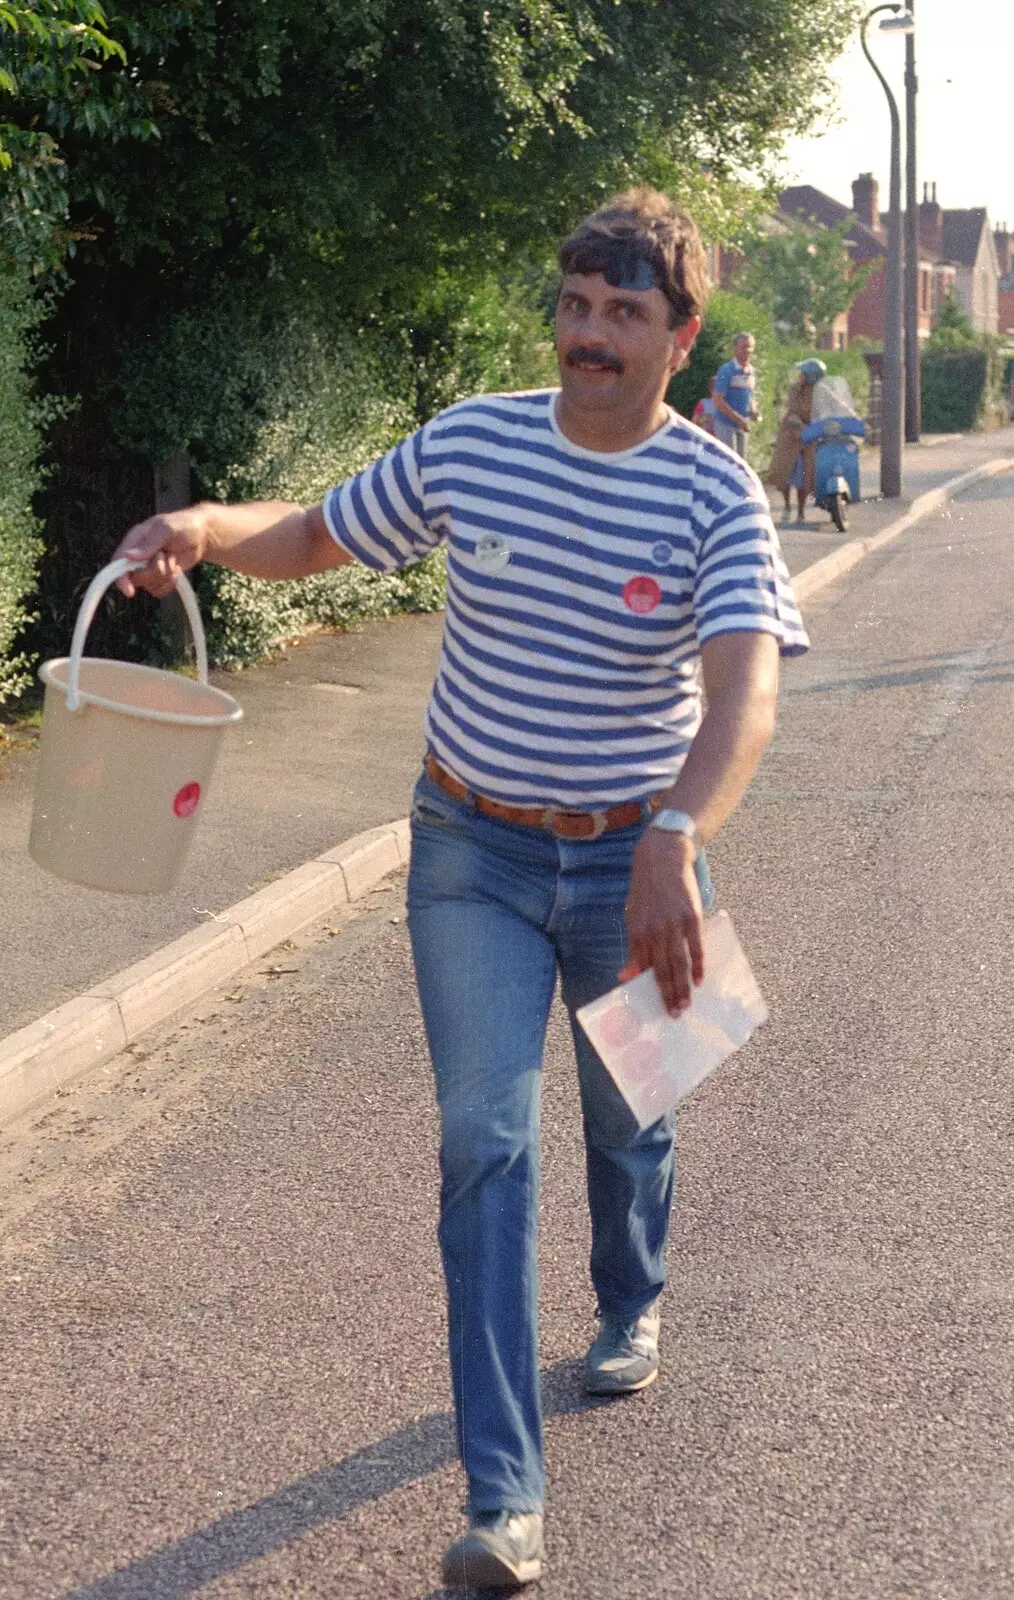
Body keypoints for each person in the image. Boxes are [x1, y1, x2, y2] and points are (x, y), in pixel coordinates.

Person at [111, 187, 809, 1592]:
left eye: (622, 314)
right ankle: (505, 1500)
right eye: (573, 306)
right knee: (481, 1137)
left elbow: (745, 698)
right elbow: (316, 533)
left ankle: (635, 1296)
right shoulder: (475, 442)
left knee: (636, 1116)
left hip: (640, 855)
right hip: (470, 848)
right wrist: (200, 523)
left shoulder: (713, 490)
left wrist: (676, 833)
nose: (587, 335)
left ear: (680, 336)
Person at [764, 357, 826, 521]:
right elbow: (792, 411)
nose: (800, 376)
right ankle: (786, 505)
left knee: (804, 475)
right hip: (790, 434)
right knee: (783, 470)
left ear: (811, 376)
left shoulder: (822, 392)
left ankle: (800, 511)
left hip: (809, 437)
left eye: (803, 373)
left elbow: (833, 407)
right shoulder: (795, 389)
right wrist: (801, 425)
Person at [712, 331, 759, 457]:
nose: (747, 351)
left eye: (750, 347)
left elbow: (751, 396)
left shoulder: (752, 372)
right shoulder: (726, 370)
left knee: (741, 463)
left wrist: (754, 410)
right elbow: (717, 401)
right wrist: (738, 419)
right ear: (735, 348)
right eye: (743, 347)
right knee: (728, 461)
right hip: (726, 424)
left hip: (742, 426)